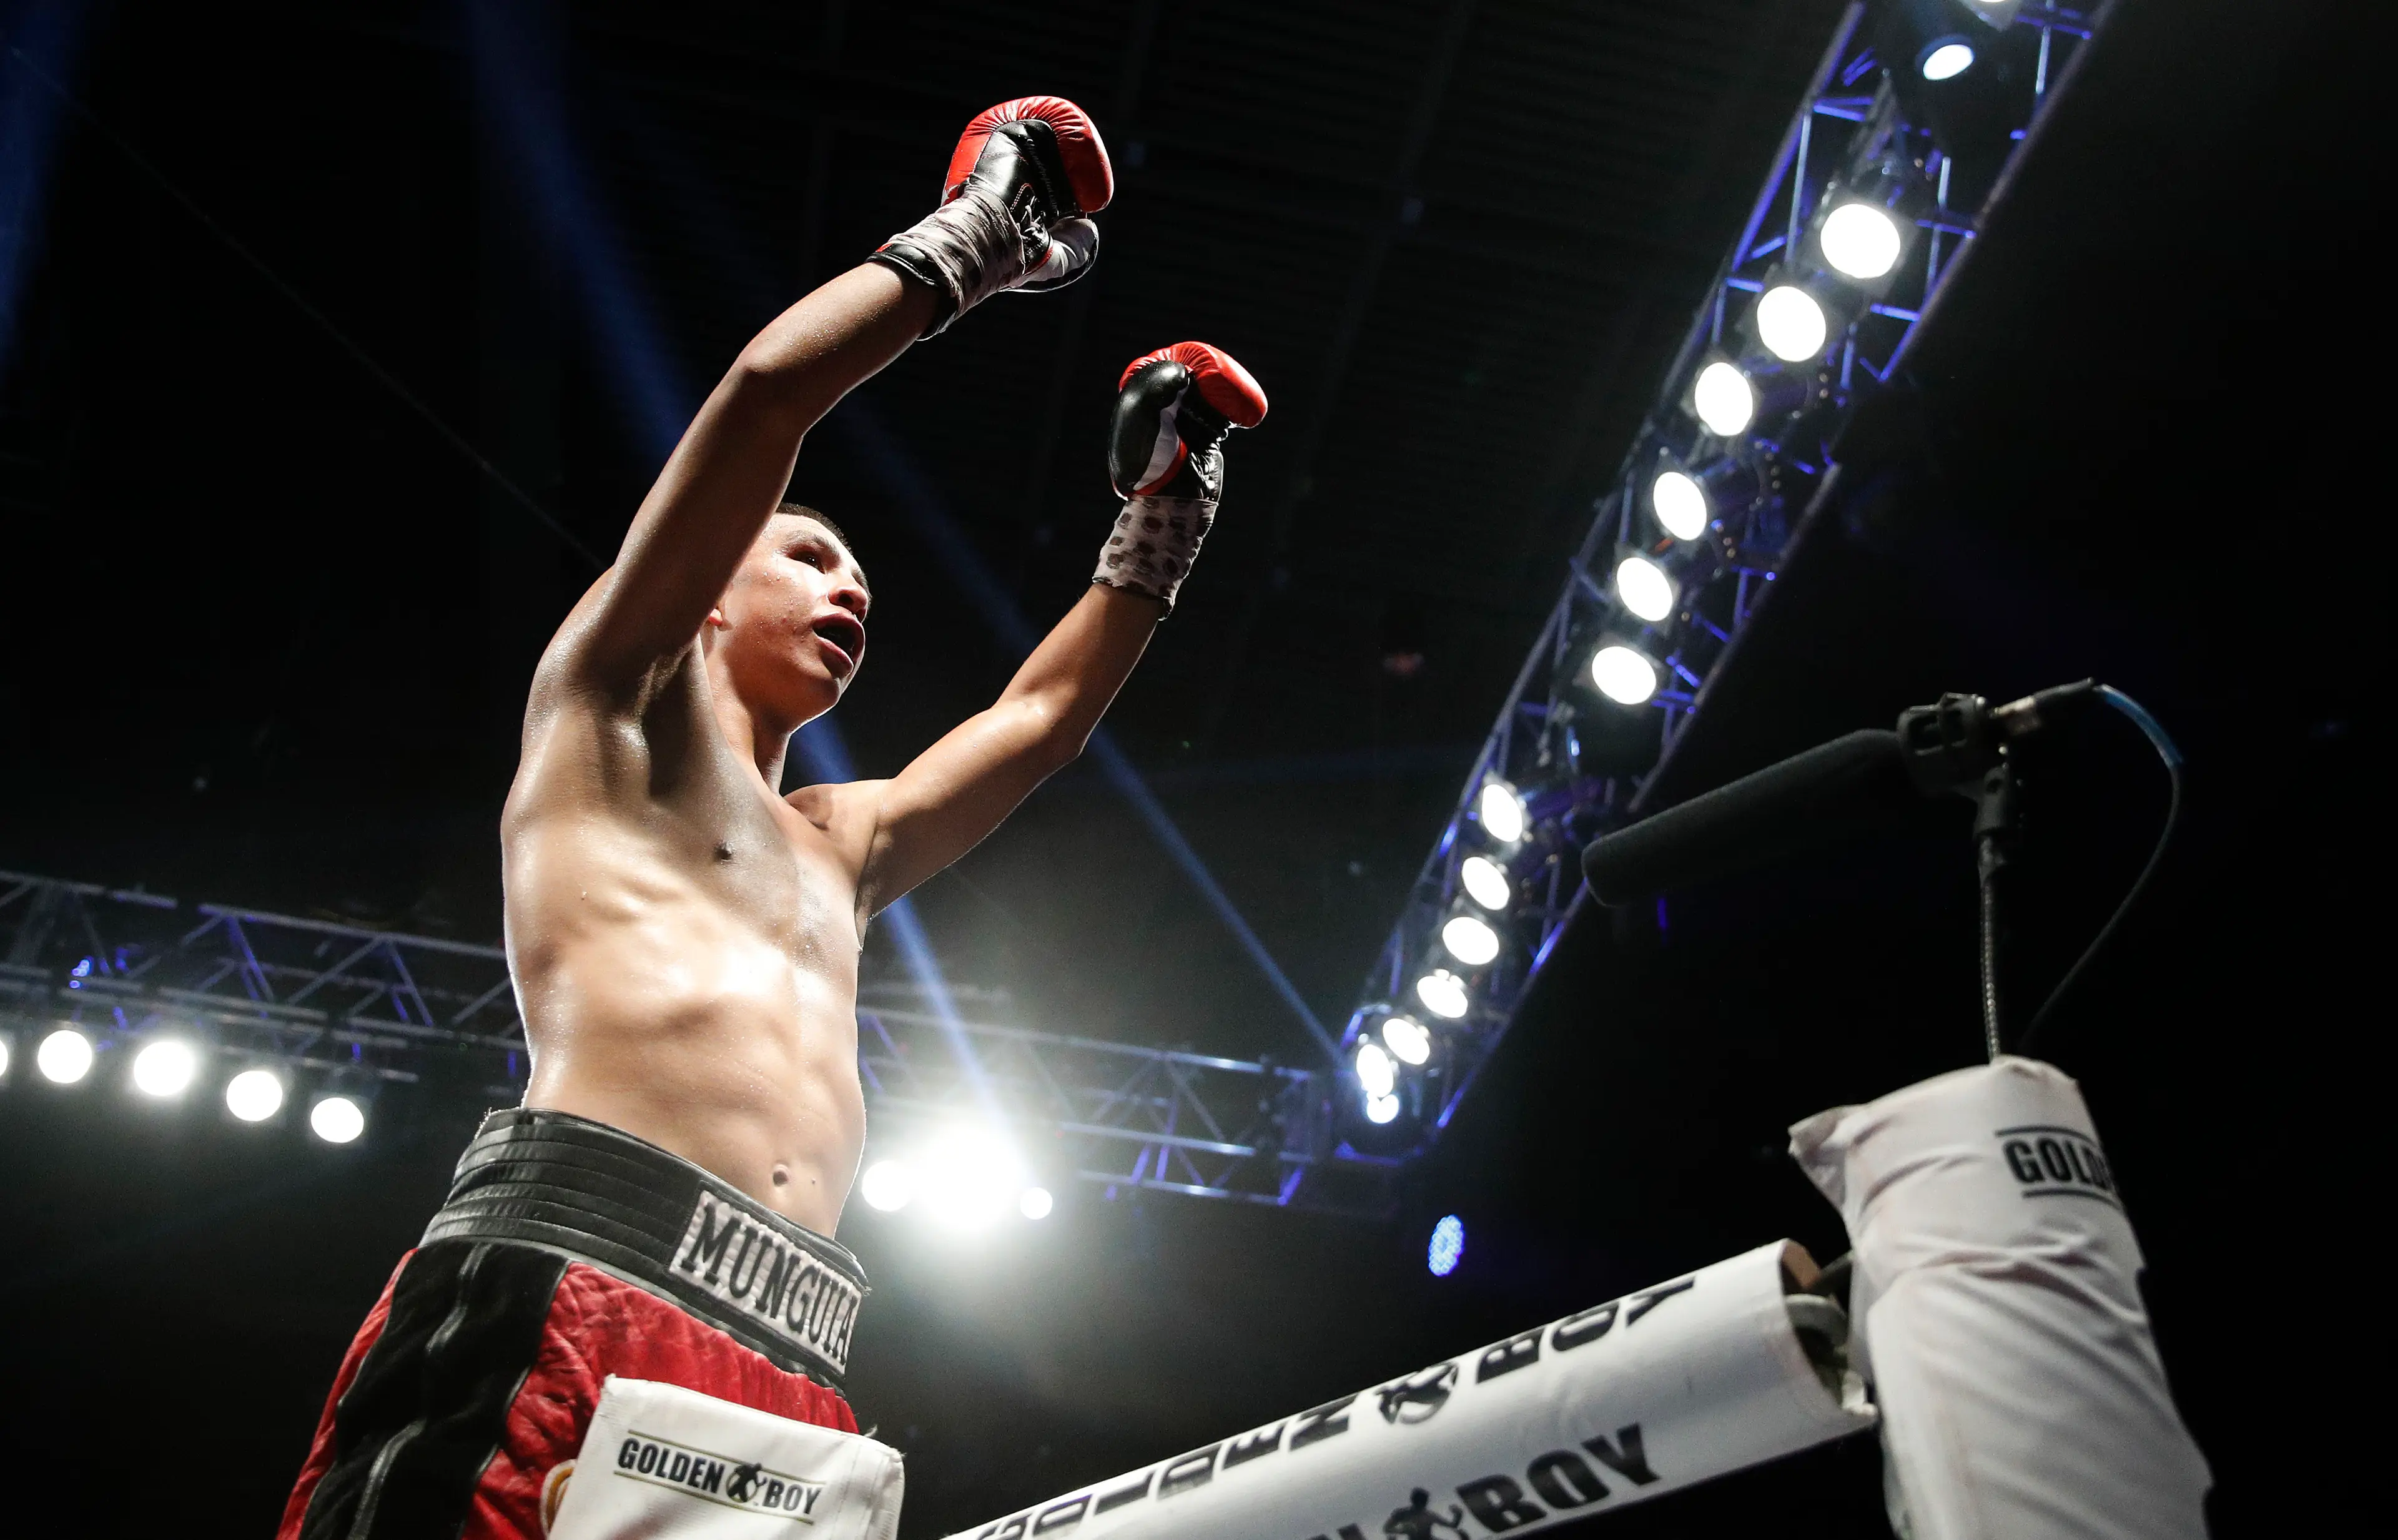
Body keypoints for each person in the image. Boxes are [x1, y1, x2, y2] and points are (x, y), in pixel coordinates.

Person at [277, 96, 1268, 1540]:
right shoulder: (607, 713)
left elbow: (1038, 727)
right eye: (807, 553)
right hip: (572, 1270)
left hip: (790, 1365)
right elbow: (762, 400)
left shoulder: (840, 844)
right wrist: (974, 239)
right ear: (708, 587)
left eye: (862, 576)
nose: (848, 588)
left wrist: (1162, 524)